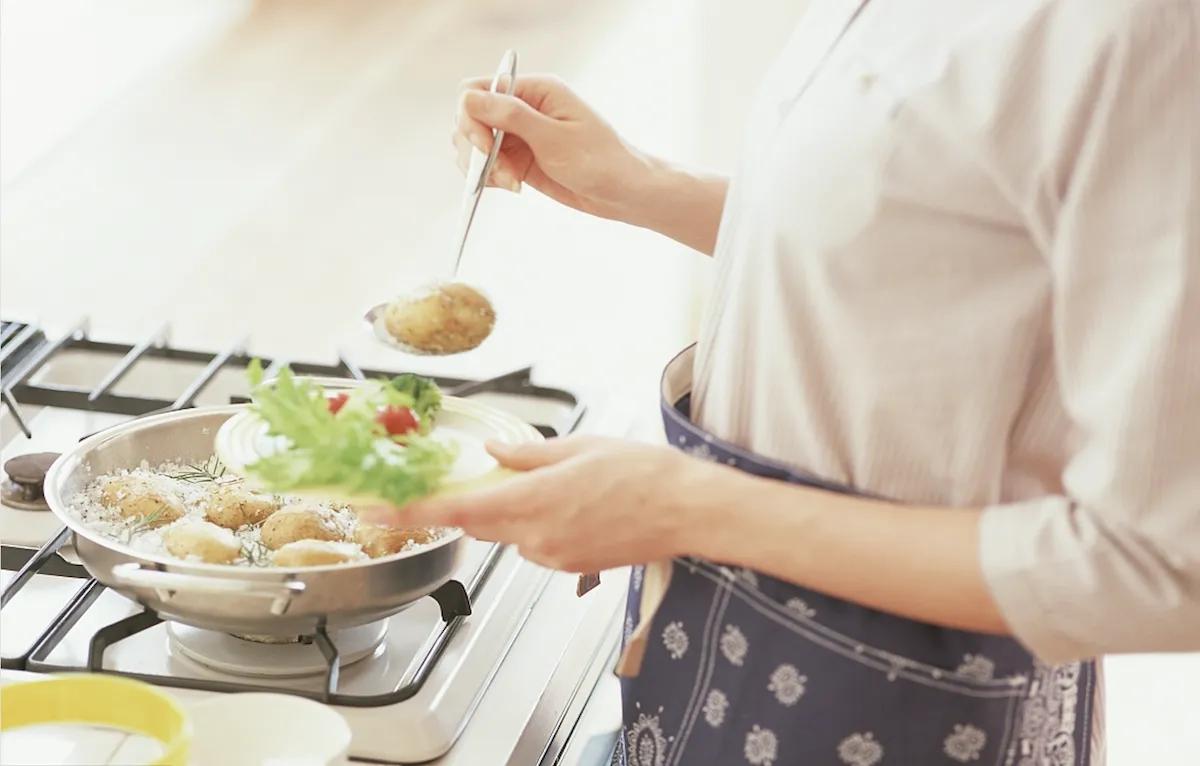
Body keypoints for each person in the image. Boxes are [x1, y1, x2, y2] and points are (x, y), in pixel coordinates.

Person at [398, 1, 1199, 763]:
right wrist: (643, 181)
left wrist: (686, 507)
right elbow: (938, 247)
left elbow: (1163, 567)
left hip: (906, 703)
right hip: (731, 640)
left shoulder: (1142, 33)